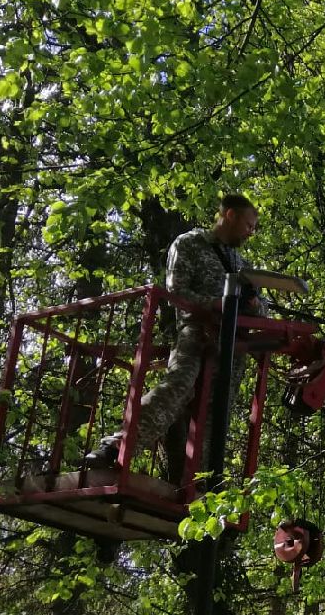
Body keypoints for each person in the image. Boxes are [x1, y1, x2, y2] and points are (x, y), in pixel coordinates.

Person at [83, 193, 265, 469]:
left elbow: (262, 307)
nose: (251, 233)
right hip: (197, 333)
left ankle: (199, 483)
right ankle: (116, 448)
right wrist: (216, 304)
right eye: (249, 225)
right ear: (230, 215)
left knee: (216, 417)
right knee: (176, 388)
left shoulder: (243, 266)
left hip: (231, 348)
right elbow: (177, 292)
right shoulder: (190, 243)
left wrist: (252, 304)